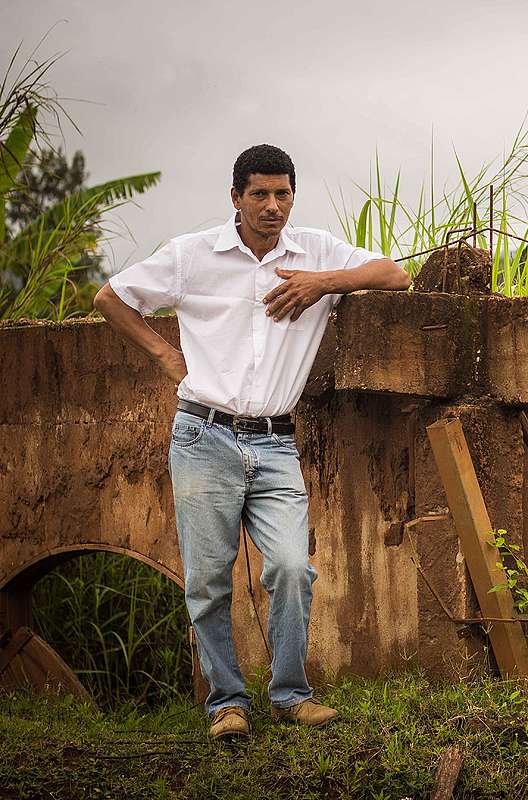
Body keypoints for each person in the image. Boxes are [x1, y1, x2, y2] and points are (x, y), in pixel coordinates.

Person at [93, 144, 410, 741]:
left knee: (292, 566)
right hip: (203, 435)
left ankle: (290, 695)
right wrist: (164, 353)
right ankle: (226, 703)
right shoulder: (194, 255)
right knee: (209, 579)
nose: (273, 206)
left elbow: (395, 274)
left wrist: (324, 283)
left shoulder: (314, 251)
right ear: (235, 197)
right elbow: (110, 297)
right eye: (259, 194)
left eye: (283, 194)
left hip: (274, 443)